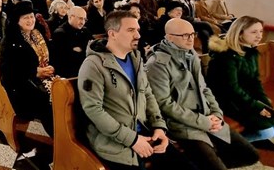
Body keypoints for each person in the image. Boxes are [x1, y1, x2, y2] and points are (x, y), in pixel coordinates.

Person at [78, 11, 196, 170]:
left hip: (145, 133)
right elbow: (93, 109)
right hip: (116, 142)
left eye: (138, 30)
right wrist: (132, 140)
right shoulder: (93, 65)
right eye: (130, 30)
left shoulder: (136, 58)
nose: (138, 35)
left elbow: (147, 93)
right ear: (112, 34)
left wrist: (159, 126)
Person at [146, 18, 259, 170]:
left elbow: (204, 88)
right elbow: (165, 104)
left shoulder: (191, 54)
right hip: (183, 125)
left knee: (250, 155)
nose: (191, 38)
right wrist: (204, 122)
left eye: (193, 34)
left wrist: (217, 114)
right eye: (185, 35)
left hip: (208, 117)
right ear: (169, 37)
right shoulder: (157, 64)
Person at [207, 16, 274, 142]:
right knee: (266, 132)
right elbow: (231, 89)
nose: (259, 36)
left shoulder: (250, 51)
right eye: (254, 32)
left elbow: (255, 81)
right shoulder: (225, 56)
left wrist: (264, 103)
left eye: (261, 31)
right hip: (226, 100)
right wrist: (256, 107)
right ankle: (227, 144)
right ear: (239, 34)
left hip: (245, 98)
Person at [0, 0, 55, 136]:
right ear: (17, 21)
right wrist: (35, 72)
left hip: (42, 78)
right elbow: (8, 73)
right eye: (25, 18)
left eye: (31, 16)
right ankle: (58, 137)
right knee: (46, 101)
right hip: (19, 85)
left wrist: (49, 68)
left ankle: (68, 132)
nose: (30, 20)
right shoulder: (10, 41)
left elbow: (51, 55)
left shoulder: (37, 34)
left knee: (66, 93)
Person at [51, 6, 91, 78]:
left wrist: (80, 50)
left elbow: (92, 48)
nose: (83, 22)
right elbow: (64, 60)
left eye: (85, 19)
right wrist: (83, 50)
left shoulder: (85, 31)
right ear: (71, 17)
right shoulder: (60, 33)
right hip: (68, 75)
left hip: (85, 69)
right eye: (80, 18)